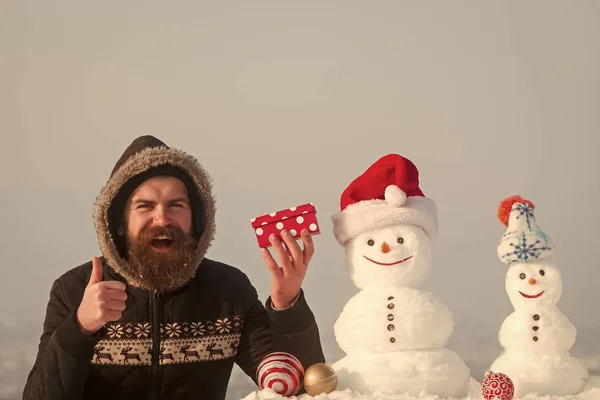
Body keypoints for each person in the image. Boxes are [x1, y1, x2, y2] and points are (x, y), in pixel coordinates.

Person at [22, 135, 325, 399]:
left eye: (176, 205)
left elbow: (303, 386)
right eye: (145, 206)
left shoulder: (228, 291)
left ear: (198, 219)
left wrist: (287, 305)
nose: (162, 219)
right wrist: (80, 327)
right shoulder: (74, 290)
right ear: (117, 221)